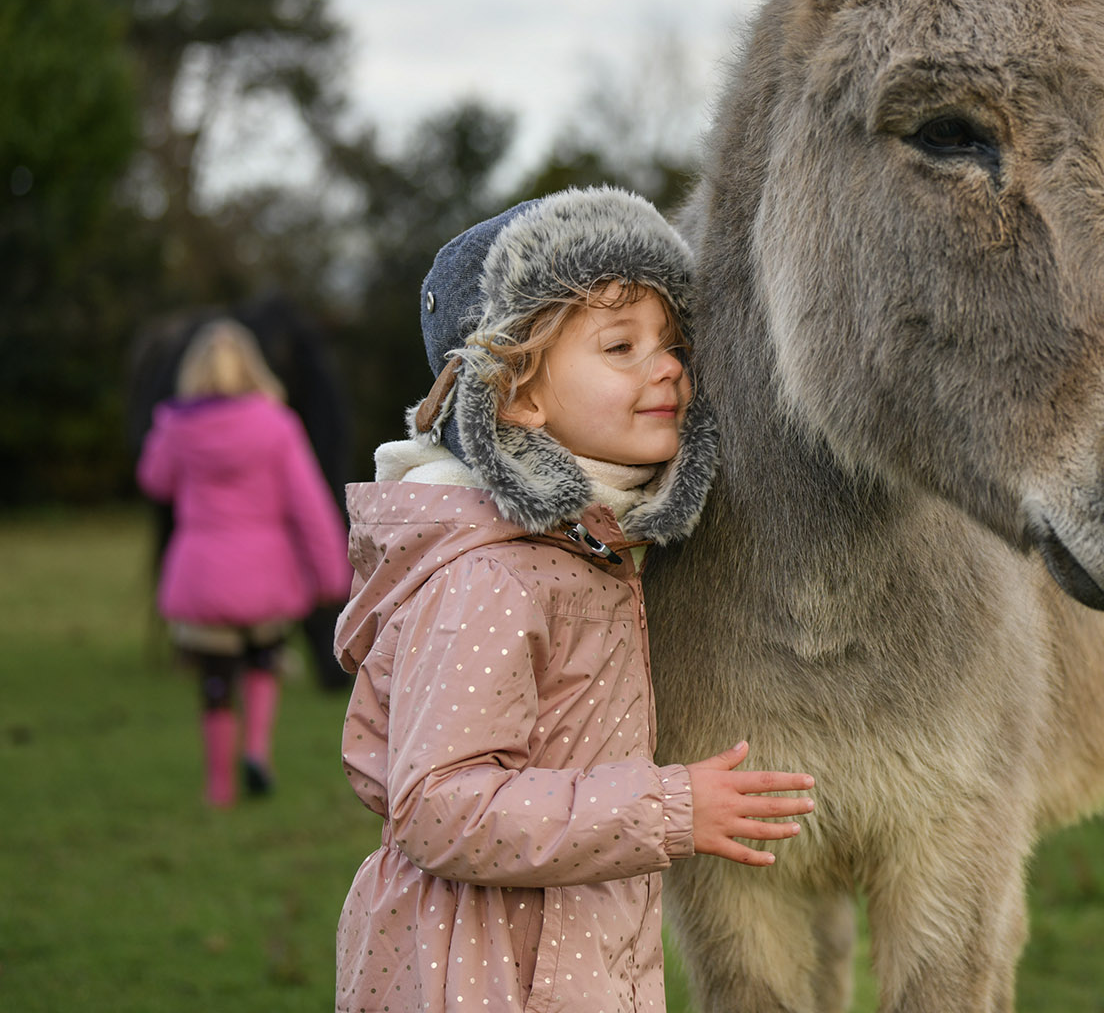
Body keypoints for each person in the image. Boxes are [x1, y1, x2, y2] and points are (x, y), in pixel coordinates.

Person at [333, 187, 815, 1013]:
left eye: (671, 343)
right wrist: (669, 807)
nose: (667, 367)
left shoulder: (593, 551)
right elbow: (438, 806)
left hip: (568, 957)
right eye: (620, 345)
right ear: (516, 393)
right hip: (484, 974)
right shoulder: (487, 579)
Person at [136, 318, 352, 806]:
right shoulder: (277, 425)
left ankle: (219, 785)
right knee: (264, 660)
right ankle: (256, 750)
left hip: (202, 573)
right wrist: (331, 572)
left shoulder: (176, 426)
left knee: (214, 678)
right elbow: (308, 504)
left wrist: (164, 430)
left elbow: (155, 482)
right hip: (266, 573)